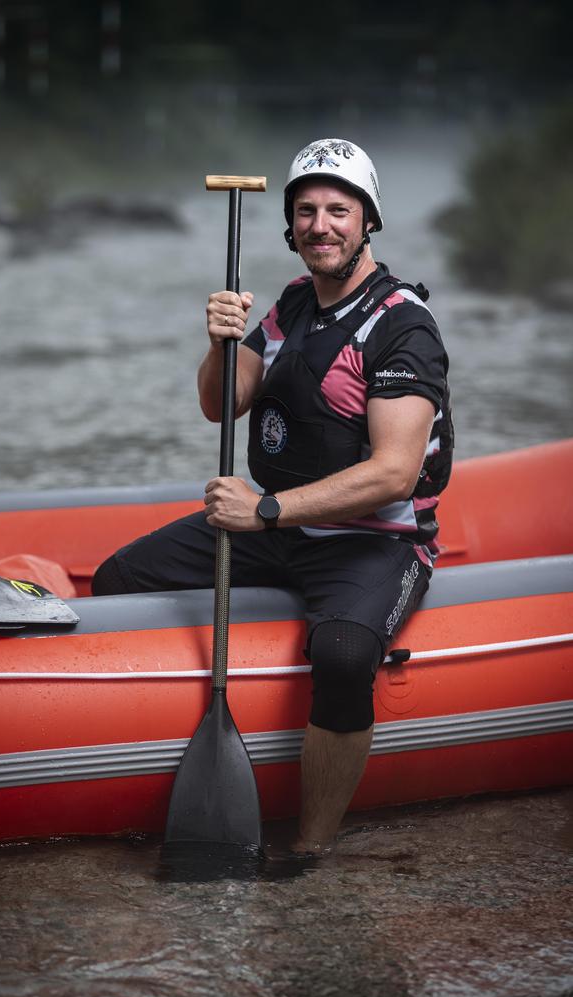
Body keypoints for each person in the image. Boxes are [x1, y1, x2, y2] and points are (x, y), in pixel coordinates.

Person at [93, 138, 453, 855]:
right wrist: (220, 342)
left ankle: (310, 850)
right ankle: (115, 777)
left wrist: (264, 510)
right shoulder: (293, 305)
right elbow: (222, 405)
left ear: (368, 222)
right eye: (306, 212)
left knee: (346, 657)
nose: (321, 225)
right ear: (289, 227)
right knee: (118, 580)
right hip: (280, 527)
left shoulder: (402, 326)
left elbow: (395, 474)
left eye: (338, 211)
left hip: (372, 542)